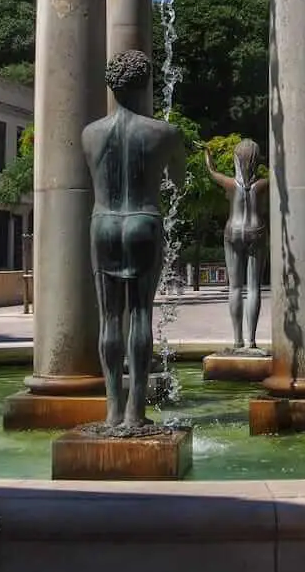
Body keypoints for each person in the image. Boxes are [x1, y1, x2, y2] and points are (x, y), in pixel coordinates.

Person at [81, 50, 185, 428]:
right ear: (145, 85)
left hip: (103, 222)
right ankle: (135, 413)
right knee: (140, 313)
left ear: (111, 84)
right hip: (143, 220)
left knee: (110, 317)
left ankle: (112, 411)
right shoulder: (164, 133)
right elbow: (177, 180)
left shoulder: (89, 133)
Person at [204, 139, 268, 350]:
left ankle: (237, 339)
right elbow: (281, 174)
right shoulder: (261, 185)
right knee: (253, 288)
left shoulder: (230, 184)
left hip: (233, 232)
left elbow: (212, 171)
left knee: (235, 287)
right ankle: (251, 342)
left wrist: (207, 152)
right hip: (256, 232)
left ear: (236, 159)